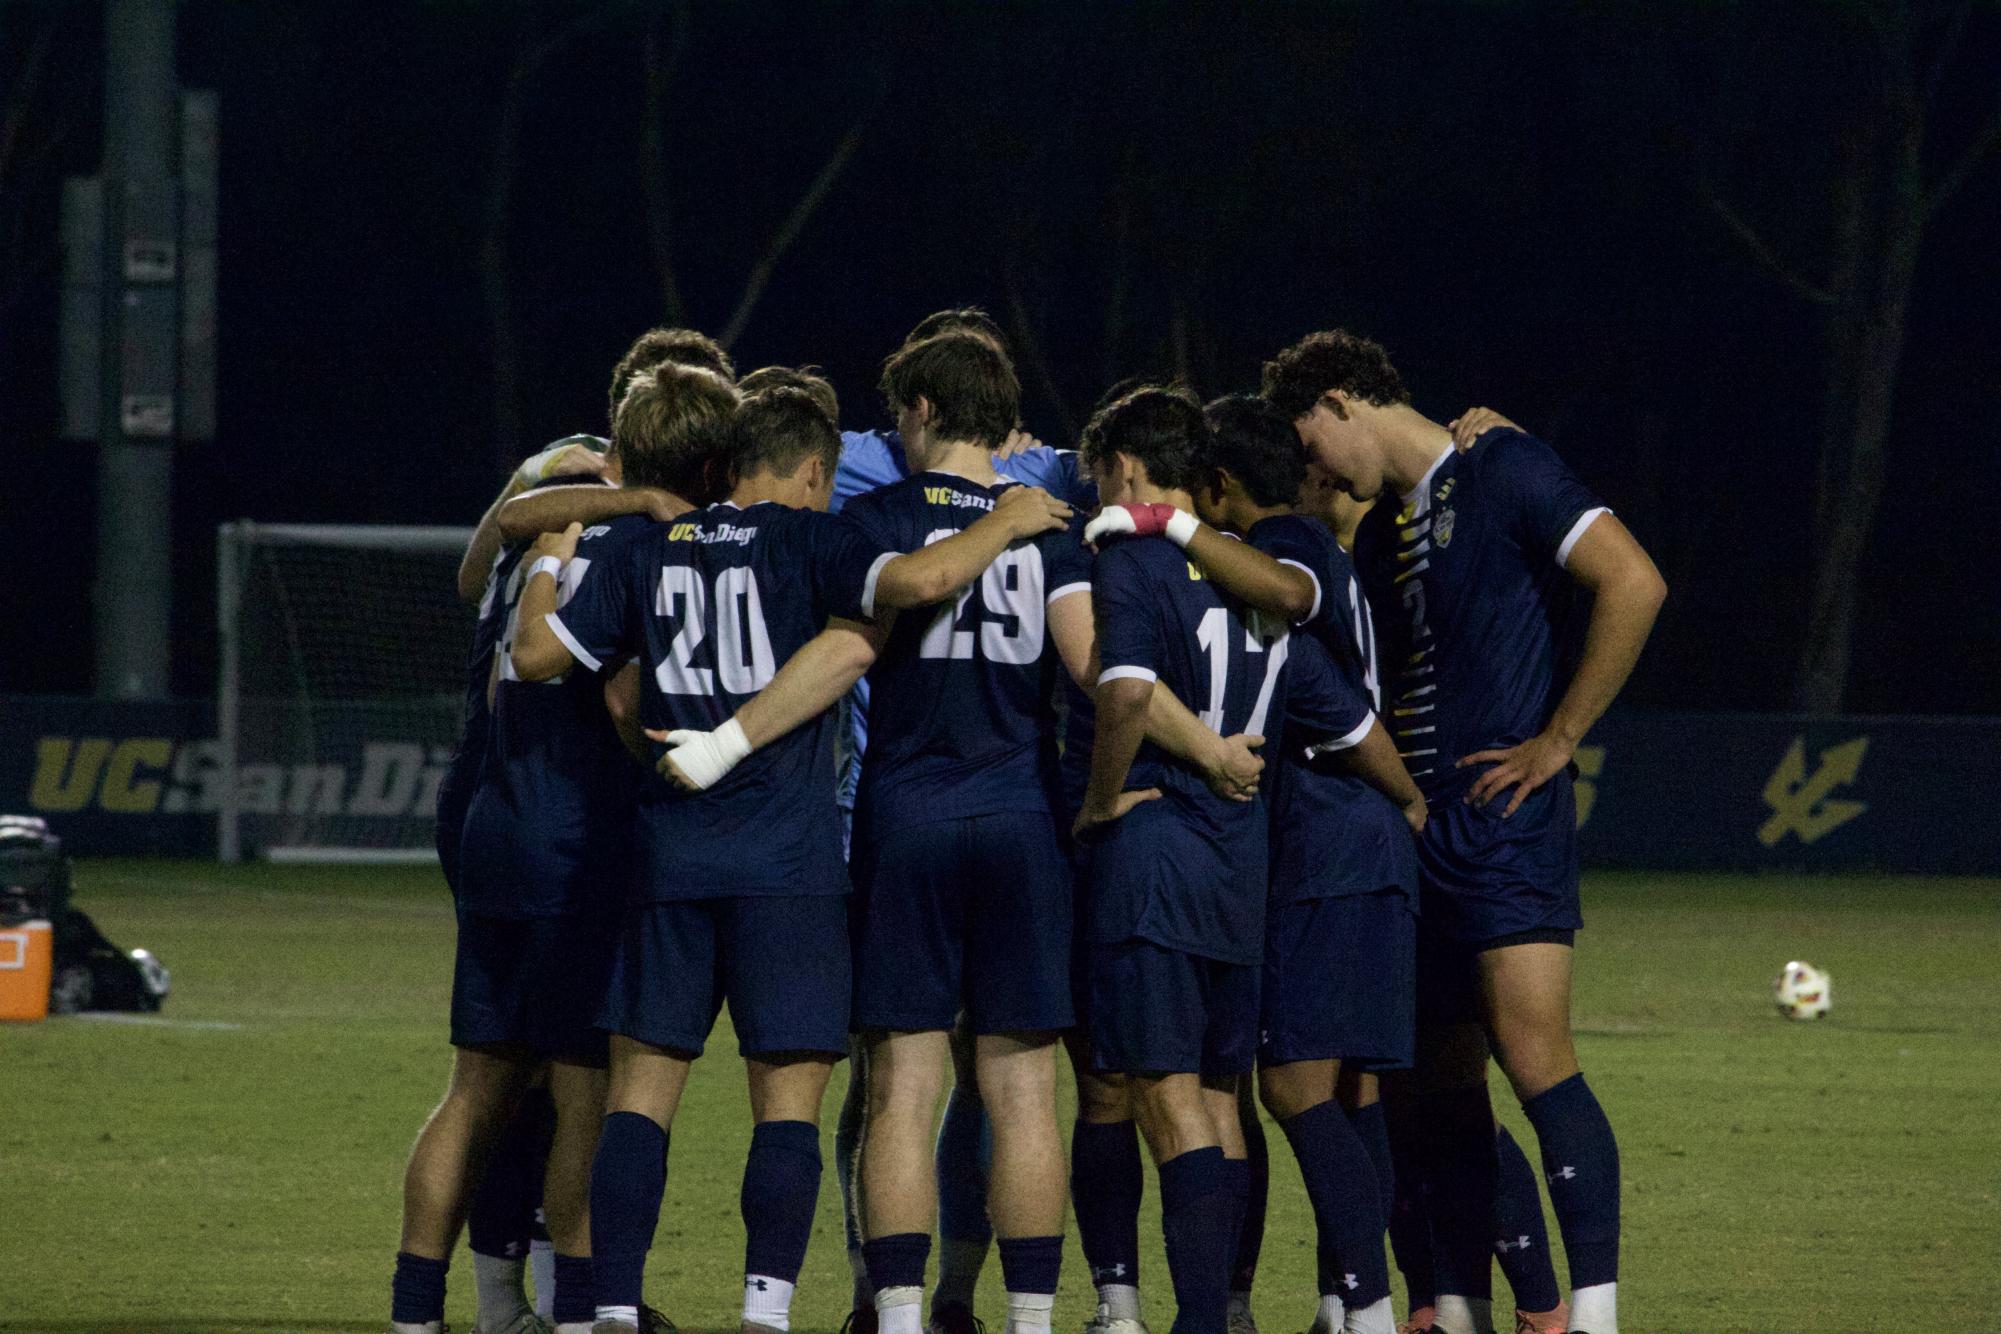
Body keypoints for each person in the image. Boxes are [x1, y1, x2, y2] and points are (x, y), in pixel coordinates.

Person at [509, 379, 1076, 1334]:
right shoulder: (818, 541)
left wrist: (547, 565)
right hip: (789, 866)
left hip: (670, 856)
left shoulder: (651, 549)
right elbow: (913, 590)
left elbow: (544, 665)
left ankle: (608, 1304)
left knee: (640, 1099)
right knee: (787, 1107)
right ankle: (764, 1312)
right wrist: (1010, 518)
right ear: (815, 471)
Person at [1262, 332, 1666, 1334]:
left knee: (1536, 1055)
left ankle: (1598, 1312)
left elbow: (1635, 582)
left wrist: (1558, 737)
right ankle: (1462, 1307)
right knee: (1433, 1083)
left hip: (1505, 819)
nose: (1311, 462)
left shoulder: (1505, 466)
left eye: (1309, 433)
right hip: (1420, 832)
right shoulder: (1386, 526)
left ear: (1345, 398)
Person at [1075, 386, 1382, 1334]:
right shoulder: (1265, 576)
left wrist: (1094, 803)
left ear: (1124, 471)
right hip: (1239, 861)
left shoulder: (1128, 560)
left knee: (1161, 1100)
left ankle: (1200, 1319)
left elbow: (1123, 694)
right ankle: (1234, 1311)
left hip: (1160, 851)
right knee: (1217, 1095)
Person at [825, 307, 1096, 1334]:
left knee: (901, 1084)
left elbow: (852, 650)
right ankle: (1029, 1318)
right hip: (1023, 818)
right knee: (1025, 1090)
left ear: (926, 407)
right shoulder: (1043, 521)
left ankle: (895, 1314)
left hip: (906, 820)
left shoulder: (882, 517)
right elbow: (1087, 669)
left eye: (901, 412)